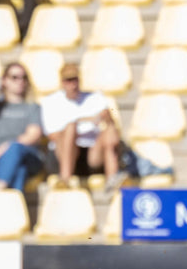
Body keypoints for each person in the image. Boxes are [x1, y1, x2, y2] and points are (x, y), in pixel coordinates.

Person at [39, 63, 125, 192]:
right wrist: (84, 121)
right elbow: (53, 136)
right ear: (62, 82)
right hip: (63, 152)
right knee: (70, 128)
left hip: (92, 153)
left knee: (110, 129)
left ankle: (113, 178)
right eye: (68, 80)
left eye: (75, 80)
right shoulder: (50, 102)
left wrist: (107, 117)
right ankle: (65, 178)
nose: (72, 85)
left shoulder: (96, 98)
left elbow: (112, 124)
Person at [0, 62, 45, 191]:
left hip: (28, 155)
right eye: (14, 77)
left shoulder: (33, 107)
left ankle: (0, 190)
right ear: (5, 80)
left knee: (15, 149)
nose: (20, 81)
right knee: (20, 169)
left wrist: (7, 146)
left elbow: (33, 135)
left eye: (23, 77)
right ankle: (14, 206)